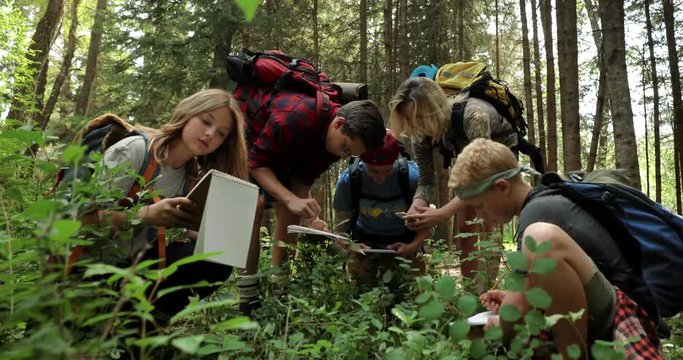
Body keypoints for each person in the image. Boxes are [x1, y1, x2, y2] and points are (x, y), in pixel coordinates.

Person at [449, 138, 662, 359]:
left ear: (502, 187)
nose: (480, 215)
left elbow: (517, 311)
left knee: (540, 238)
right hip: (606, 313)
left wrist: (499, 324)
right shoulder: (545, 203)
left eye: (479, 206)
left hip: (622, 321)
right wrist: (512, 298)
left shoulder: (536, 217)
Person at [80, 89, 249, 317]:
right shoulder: (134, 151)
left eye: (221, 134)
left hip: (138, 267)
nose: (210, 134)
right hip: (90, 270)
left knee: (216, 262)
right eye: (205, 121)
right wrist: (146, 214)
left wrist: (212, 231)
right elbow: (84, 224)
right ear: (187, 114)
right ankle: (118, 319)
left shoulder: (192, 174)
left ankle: (144, 325)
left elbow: (195, 240)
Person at [235, 86, 386, 313]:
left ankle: (280, 288)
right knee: (253, 207)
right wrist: (289, 198)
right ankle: (248, 297)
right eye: (344, 147)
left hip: (279, 153)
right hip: (244, 139)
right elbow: (256, 164)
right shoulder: (294, 118)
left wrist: (311, 218)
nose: (341, 155)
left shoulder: (333, 145)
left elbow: (301, 180)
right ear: (338, 123)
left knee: (293, 211)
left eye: (349, 154)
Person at [389, 76, 516, 288]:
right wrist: (415, 209)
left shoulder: (473, 115)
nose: (413, 126)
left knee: (487, 221)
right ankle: (471, 292)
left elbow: (482, 180)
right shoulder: (419, 133)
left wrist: (441, 213)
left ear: (433, 110)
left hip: (499, 157)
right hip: (466, 156)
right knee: (465, 225)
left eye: (417, 118)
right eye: (408, 120)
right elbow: (427, 182)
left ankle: (489, 290)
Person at [331, 130, 430, 286]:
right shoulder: (350, 180)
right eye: (374, 171)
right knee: (362, 290)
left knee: (413, 291)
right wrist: (351, 247)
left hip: (405, 243)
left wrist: (412, 247)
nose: (381, 178)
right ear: (363, 162)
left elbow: (428, 227)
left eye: (387, 170)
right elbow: (339, 230)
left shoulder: (411, 178)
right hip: (365, 244)